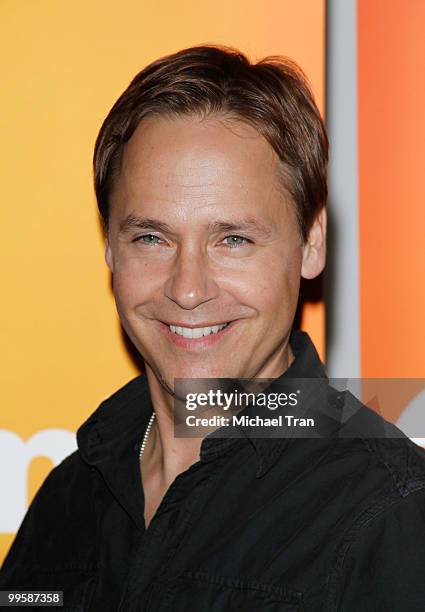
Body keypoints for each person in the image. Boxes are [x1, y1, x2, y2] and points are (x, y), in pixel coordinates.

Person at [1, 44, 425, 611]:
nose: (189, 288)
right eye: (152, 237)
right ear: (109, 246)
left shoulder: (390, 514)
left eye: (233, 240)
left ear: (312, 242)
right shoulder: (69, 496)